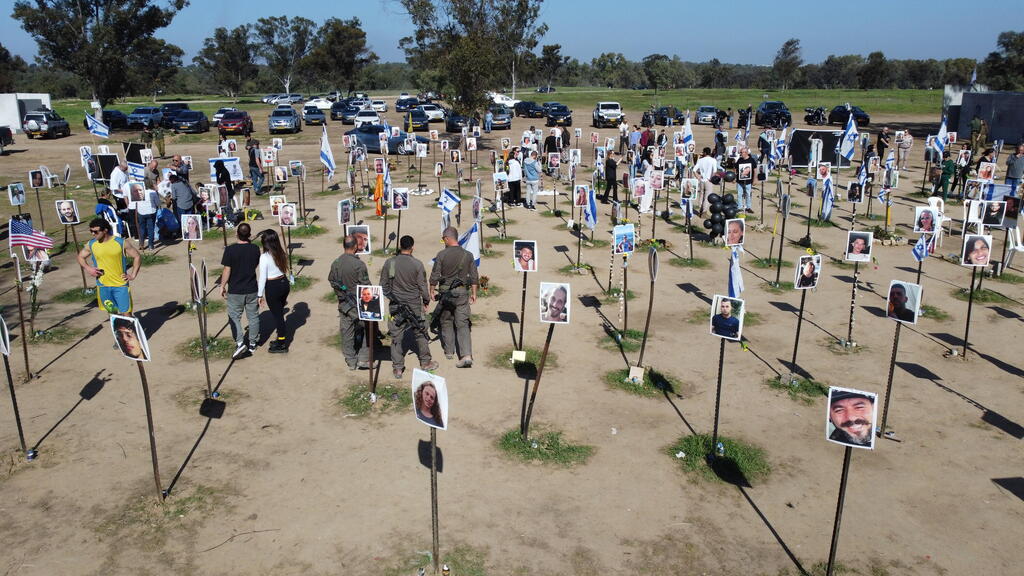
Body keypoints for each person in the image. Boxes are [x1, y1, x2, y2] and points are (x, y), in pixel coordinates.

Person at [382, 235, 438, 379]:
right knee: (420, 332)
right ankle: (425, 362)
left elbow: (384, 286)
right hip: (414, 305)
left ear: (400, 246)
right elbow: (422, 286)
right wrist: (426, 300)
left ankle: (397, 368)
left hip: (396, 306)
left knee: (396, 336)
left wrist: (394, 298)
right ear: (412, 247)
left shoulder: (390, 263)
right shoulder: (417, 264)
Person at [430, 227, 478, 368]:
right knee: (462, 323)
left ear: (446, 238)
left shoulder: (441, 255)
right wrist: (474, 293)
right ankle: (466, 355)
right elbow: (474, 276)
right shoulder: (468, 255)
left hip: (446, 295)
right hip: (462, 293)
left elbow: (434, 275)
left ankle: (449, 351)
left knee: (446, 320)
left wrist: (432, 290)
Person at [77, 217, 141, 315]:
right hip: (103, 286)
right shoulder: (91, 244)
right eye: (91, 231)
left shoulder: (120, 242)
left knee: (127, 314)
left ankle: (131, 330)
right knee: (112, 314)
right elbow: (80, 257)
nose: (92, 234)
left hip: (120, 285)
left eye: (95, 231)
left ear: (105, 230)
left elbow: (137, 256)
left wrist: (132, 275)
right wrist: (88, 268)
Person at [328, 235, 371, 370]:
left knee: (347, 331)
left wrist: (341, 293)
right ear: (355, 247)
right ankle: (363, 359)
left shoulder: (336, 263)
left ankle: (351, 360)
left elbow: (331, 280)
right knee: (367, 329)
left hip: (344, 304)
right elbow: (366, 286)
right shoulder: (359, 264)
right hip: (358, 304)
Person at [220, 222, 261, 359]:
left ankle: (240, 342)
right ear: (249, 235)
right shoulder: (255, 249)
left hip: (235, 290)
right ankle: (253, 343)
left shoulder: (230, 250)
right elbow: (255, 265)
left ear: (237, 234)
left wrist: (222, 285)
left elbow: (227, 269)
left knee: (234, 316)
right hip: (251, 289)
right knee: (253, 316)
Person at [257, 229, 291, 353]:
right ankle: (280, 338)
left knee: (278, 317)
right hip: (284, 283)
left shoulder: (264, 257)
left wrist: (259, 295)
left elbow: (262, 278)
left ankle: (281, 343)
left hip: (273, 286)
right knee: (279, 312)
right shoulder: (281, 252)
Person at [694, 147, 720, 215]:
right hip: (709, 180)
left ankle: (700, 208)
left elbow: (694, 170)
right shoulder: (713, 160)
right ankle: (704, 211)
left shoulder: (700, 160)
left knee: (701, 195)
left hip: (702, 180)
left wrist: (698, 177)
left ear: (704, 153)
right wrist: (711, 178)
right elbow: (714, 171)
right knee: (707, 196)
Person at [735, 147, 756, 213]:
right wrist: (734, 177)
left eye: (742, 152)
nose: (741, 154)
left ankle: (748, 207)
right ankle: (739, 207)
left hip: (748, 181)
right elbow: (735, 169)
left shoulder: (752, 160)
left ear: (746, 153)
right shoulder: (739, 160)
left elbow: (755, 170)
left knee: (748, 194)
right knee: (739, 194)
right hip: (739, 181)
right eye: (740, 152)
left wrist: (755, 179)